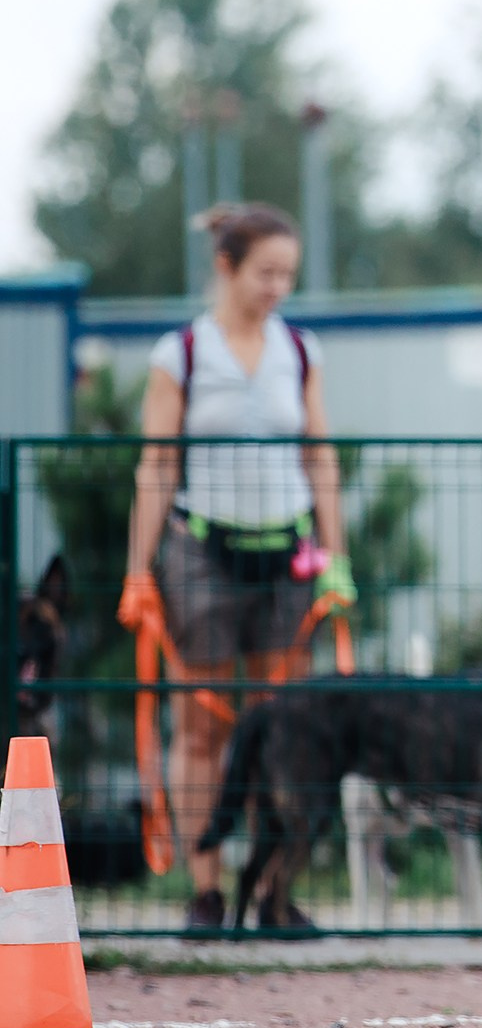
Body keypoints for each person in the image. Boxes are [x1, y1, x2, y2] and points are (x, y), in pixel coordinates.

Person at [117, 203, 354, 934]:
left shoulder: (300, 350)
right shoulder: (182, 354)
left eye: (288, 274)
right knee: (201, 726)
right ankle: (207, 891)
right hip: (202, 554)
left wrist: (336, 558)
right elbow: (158, 465)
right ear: (227, 266)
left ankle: (273, 890)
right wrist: (138, 570)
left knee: (283, 727)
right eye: (265, 272)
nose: (278, 287)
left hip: (287, 556)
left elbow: (319, 456)